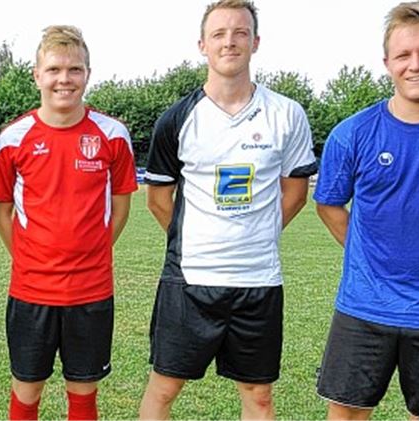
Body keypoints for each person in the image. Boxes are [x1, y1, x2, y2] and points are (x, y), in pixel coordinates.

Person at [138, 0, 317, 419]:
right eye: (218, 34)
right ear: (202, 44)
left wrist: (256, 234)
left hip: (259, 279)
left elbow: (295, 193)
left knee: (259, 394)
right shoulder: (177, 119)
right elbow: (159, 199)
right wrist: (199, 240)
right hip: (191, 279)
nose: (229, 42)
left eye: (240, 33)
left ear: (256, 42)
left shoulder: (286, 114)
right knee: (164, 387)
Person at [312, 2, 419, 419]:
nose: (416, 64)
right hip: (362, 307)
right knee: (346, 414)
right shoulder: (352, 134)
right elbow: (329, 204)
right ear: (387, 62)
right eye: (403, 54)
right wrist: (369, 255)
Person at [0, 25, 137, 421]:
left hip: (91, 291)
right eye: (54, 69)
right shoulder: (13, 138)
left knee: (83, 392)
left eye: (74, 69)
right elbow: (1, 210)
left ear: (88, 73)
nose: (64, 79)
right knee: (26, 390)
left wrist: (94, 251)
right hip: (31, 291)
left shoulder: (112, 135)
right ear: (37, 75)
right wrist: (27, 256)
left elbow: (120, 206)